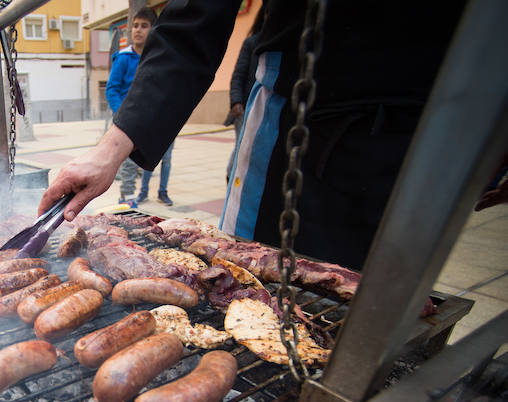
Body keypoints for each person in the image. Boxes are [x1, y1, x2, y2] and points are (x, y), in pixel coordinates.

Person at [40, 0, 467, 271]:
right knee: (244, 269)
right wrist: (110, 152)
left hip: (432, 124)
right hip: (294, 122)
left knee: (376, 291)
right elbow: (193, 25)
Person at [105, 7, 158, 209]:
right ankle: (126, 196)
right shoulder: (124, 57)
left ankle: (147, 192)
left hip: (153, 118)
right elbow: (112, 89)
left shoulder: (156, 57)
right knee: (127, 162)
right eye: (135, 26)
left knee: (156, 157)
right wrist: (122, 116)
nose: (138, 30)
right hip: (128, 119)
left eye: (144, 26)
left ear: (153, 29)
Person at [224, 5, 265, 182]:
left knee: (256, 148)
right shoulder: (252, 43)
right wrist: (236, 101)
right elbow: (238, 75)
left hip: (265, 107)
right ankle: (231, 179)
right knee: (242, 146)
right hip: (245, 107)